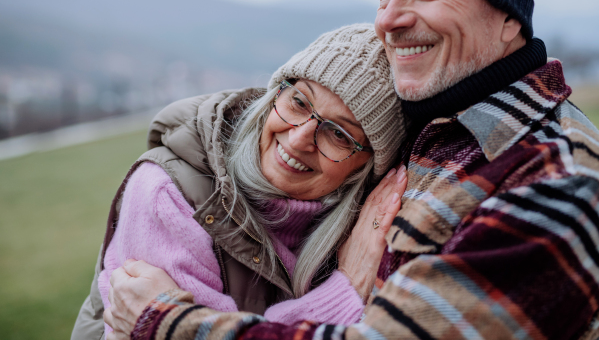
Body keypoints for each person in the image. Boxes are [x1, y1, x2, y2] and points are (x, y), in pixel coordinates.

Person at [103, 0, 599, 339]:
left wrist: (162, 323)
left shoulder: (555, 179)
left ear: (508, 14)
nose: (389, 19)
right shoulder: (439, 131)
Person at [71, 24, 409, 339]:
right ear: (275, 96)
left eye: (338, 133)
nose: (298, 139)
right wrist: (344, 291)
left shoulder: (367, 225)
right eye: (299, 102)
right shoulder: (169, 195)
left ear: (367, 166)